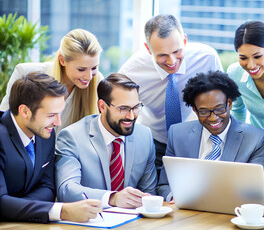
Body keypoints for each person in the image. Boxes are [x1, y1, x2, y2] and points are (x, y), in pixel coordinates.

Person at [119, 14, 223, 173]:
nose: (172, 61)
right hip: (154, 141)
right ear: (148, 49)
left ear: (185, 41)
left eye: (177, 51)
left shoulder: (206, 58)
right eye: (162, 55)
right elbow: (118, 110)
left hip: (196, 138)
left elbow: (223, 100)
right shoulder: (131, 71)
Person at [0, 72, 102, 223]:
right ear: (24, 111)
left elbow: (48, 187)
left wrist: (16, 207)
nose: (58, 122)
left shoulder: (45, 134)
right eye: (51, 115)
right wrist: (62, 210)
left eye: (59, 113)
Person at [157, 71, 264, 201]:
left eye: (219, 109)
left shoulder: (256, 139)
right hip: (186, 212)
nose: (213, 118)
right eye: (204, 111)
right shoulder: (177, 134)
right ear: (194, 109)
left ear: (229, 104)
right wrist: (174, 198)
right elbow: (164, 185)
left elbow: (255, 191)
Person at [55, 73, 157, 209]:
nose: (131, 116)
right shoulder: (72, 137)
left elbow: (149, 193)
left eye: (136, 107)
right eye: (123, 108)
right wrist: (112, 198)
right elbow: (66, 190)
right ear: (102, 106)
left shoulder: (145, 136)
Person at [0, 28, 103, 132]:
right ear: (62, 60)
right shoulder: (25, 74)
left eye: (94, 68)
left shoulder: (97, 81)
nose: (89, 76)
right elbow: (5, 122)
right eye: (81, 69)